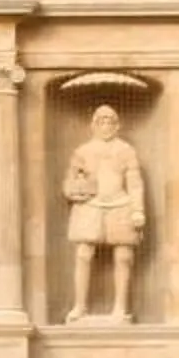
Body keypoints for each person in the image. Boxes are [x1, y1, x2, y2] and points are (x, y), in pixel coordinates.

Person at [62, 104, 147, 322]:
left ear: (117, 125)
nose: (106, 125)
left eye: (110, 121)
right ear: (94, 125)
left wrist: (138, 210)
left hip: (121, 203)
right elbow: (69, 182)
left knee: (124, 255)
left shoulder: (126, 150)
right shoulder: (82, 151)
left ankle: (120, 307)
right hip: (90, 205)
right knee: (83, 253)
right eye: (101, 121)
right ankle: (79, 306)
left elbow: (135, 183)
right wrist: (75, 191)